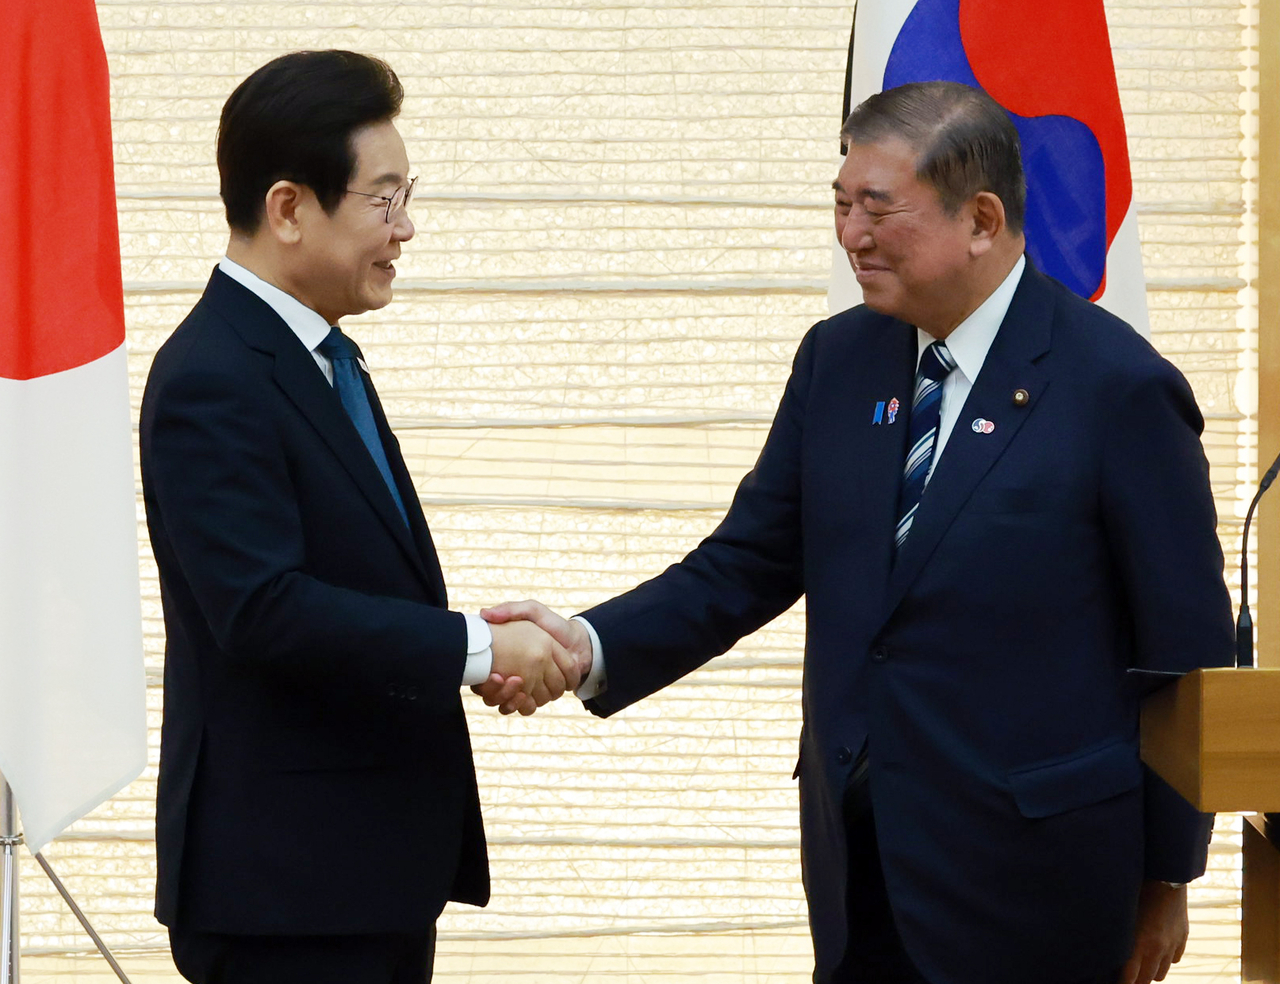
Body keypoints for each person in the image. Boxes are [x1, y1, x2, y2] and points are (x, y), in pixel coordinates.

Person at [476, 81, 1235, 984]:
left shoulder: (1116, 386)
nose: (850, 235)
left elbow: (1187, 652)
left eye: (878, 209)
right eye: (840, 204)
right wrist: (588, 643)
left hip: (1041, 880)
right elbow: (748, 562)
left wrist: (1168, 876)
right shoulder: (838, 360)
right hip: (860, 864)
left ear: (981, 220)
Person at [139, 50, 573, 984]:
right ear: (290, 207)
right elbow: (262, 608)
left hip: (359, 874)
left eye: (406, 194)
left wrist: (467, 639)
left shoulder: (320, 355)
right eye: (383, 200)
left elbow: (360, 578)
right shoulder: (213, 378)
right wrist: (475, 647)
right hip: (285, 896)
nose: (406, 228)